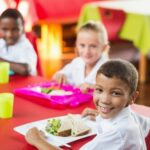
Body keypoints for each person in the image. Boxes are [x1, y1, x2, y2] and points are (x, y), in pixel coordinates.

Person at [25, 59, 150, 150]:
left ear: (132, 98)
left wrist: (38, 140)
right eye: (99, 90)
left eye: (116, 93)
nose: (105, 99)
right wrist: (100, 116)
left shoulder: (120, 132)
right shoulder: (130, 117)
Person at [52, 21, 109, 92]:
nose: (87, 51)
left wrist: (94, 87)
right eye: (82, 45)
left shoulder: (108, 69)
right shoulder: (77, 62)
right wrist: (60, 75)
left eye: (93, 46)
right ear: (76, 45)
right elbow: (59, 75)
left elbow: (112, 90)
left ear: (104, 48)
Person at [0, 8, 37, 75]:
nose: (9, 35)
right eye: (4, 29)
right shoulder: (1, 42)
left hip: (25, 84)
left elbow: (25, 70)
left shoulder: (26, 46)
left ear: (23, 29)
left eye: (14, 29)